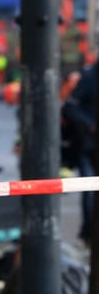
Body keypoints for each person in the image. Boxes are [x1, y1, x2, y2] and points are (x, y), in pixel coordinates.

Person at [61, 58, 97, 242]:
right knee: (90, 189)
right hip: (88, 145)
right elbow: (69, 107)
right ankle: (88, 231)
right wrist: (90, 126)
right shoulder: (90, 77)